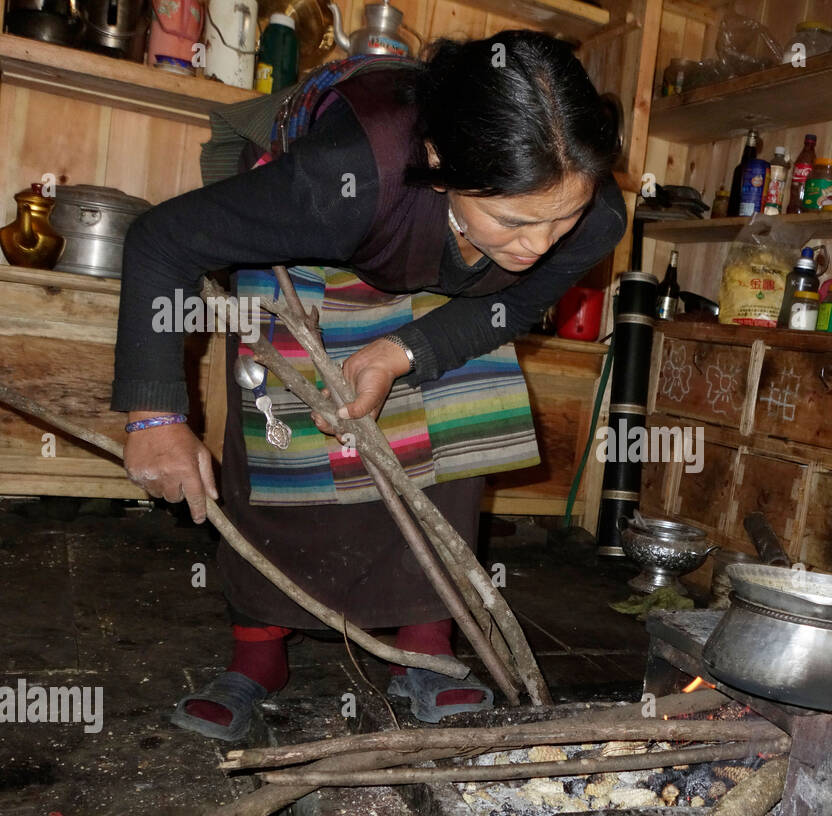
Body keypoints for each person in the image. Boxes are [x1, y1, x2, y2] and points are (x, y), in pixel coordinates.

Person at [111, 31, 626, 740]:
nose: (541, 244)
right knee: (284, 430)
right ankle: (257, 652)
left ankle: (423, 642)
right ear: (441, 162)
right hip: (328, 237)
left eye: (560, 218)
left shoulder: (593, 215)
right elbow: (160, 240)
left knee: (456, 403)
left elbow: (512, 301)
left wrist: (404, 349)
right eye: (514, 220)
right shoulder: (343, 177)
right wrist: (153, 417)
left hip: (429, 264)